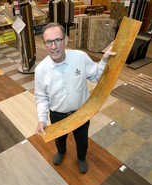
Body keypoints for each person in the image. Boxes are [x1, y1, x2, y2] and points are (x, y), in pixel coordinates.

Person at [34, 22, 116, 174]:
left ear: (66, 40)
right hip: (58, 114)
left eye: (57, 40)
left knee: (82, 141)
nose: (53, 47)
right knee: (60, 139)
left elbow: (96, 76)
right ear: (44, 44)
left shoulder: (80, 57)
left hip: (81, 112)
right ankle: (61, 152)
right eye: (48, 42)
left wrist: (103, 60)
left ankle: (81, 158)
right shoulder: (41, 70)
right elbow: (41, 97)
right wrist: (42, 119)